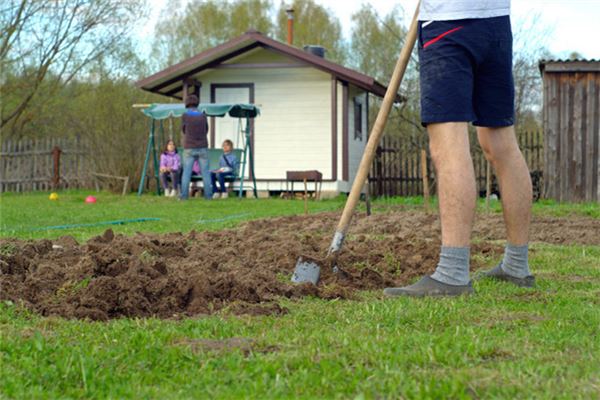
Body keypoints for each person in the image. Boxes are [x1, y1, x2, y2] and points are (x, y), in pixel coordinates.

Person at [384, 0, 535, 297]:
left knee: (448, 144)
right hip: (496, 24)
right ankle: (517, 265)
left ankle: (452, 274)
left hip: (448, 22)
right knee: (501, 142)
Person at [179, 94, 212, 200]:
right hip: (202, 146)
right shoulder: (203, 115)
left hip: (189, 147)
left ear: (187, 104)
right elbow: (206, 129)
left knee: (186, 173)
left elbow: (183, 130)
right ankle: (208, 197)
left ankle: (184, 197)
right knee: (205, 173)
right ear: (197, 103)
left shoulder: (185, 115)